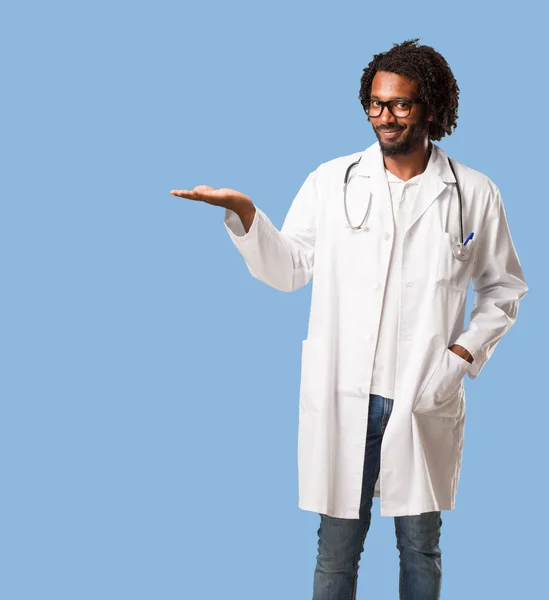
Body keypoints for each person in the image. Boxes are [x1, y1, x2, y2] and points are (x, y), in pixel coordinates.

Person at [170, 38, 528, 600]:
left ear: (430, 108)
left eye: (400, 105)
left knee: (421, 548)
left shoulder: (474, 193)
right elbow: (289, 268)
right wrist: (244, 212)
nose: (384, 117)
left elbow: (503, 288)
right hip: (347, 397)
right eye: (376, 104)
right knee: (335, 552)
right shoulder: (332, 181)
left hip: (422, 394)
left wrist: (461, 356)